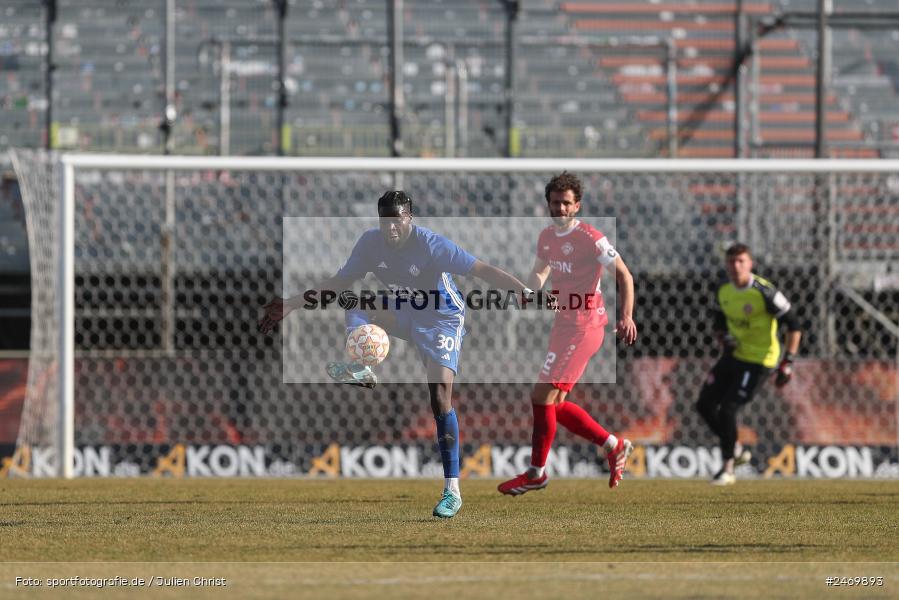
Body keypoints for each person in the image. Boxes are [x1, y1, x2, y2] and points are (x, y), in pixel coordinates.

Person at [259, 190, 536, 518]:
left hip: (442, 319)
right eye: (385, 221)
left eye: (398, 220)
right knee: (355, 298)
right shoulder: (369, 243)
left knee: (440, 398)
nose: (391, 227)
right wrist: (291, 303)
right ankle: (360, 365)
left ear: (410, 218)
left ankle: (452, 491)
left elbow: (481, 269)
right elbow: (338, 282)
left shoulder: (432, 245)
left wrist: (523, 291)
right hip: (406, 311)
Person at [498, 171, 638, 496]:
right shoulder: (547, 236)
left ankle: (537, 473)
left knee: (540, 396)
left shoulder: (591, 238)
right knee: (555, 404)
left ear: (577, 206)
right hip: (564, 325)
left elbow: (625, 276)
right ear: (548, 204)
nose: (560, 208)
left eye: (566, 203)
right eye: (555, 203)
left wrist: (627, 316)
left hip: (584, 326)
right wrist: (529, 290)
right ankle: (613, 446)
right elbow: (540, 270)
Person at [697, 242, 802, 486]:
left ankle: (728, 468)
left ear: (750, 264)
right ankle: (734, 447)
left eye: (741, 261)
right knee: (704, 404)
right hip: (734, 354)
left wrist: (788, 363)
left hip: (760, 359)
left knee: (728, 408)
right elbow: (719, 320)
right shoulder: (723, 289)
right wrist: (723, 336)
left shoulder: (764, 292)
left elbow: (794, 325)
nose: (736, 266)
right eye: (731, 262)